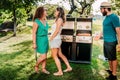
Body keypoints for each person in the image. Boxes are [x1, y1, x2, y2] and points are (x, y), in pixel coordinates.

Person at [94, 2, 120, 80]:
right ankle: (111, 70)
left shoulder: (114, 17)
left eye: (101, 9)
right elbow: (104, 28)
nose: (100, 11)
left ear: (105, 9)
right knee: (108, 57)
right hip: (106, 40)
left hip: (111, 41)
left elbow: (118, 30)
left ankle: (114, 75)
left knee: (113, 58)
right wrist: (99, 35)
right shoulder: (106, 17)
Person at [49, 7, 72, 76]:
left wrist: (51, 37)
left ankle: (60, 71)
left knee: (54, 56)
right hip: (56, 39)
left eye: (55, 11)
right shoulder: (58, 19)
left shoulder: (59, 19)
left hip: (55, 39)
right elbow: (55, 30)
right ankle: (69, 67)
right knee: (60, 54)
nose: (54, 12)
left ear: (59, 12)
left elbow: (57, 30)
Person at [32, 6, 50, 74]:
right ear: (41, 12)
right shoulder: (36, 21)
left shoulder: (45, 20)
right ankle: (36, 66)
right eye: (45, 10)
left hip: (45, 39)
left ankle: (43, 69)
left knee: (45, 55)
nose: (46, 12)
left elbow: (45, 30)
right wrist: (34, 43)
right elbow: (34, 33)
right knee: (43, 56)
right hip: (40, 40)